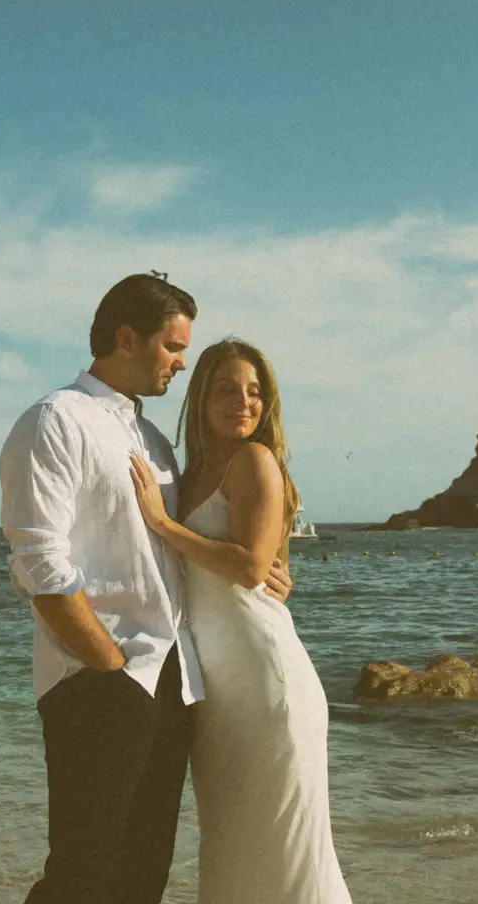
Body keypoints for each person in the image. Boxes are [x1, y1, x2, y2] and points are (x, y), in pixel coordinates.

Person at [0, 274, 292, 904]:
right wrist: (106, 665)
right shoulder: (55, 421)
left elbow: (186, 549)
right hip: (99, 678)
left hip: (172, 679)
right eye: (172, 347)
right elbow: (38, 563)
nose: (182, 362)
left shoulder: (153, 441)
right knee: (83, 872)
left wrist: (261, 570)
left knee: (143, 874)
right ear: (126, 338)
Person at [128, 337, 351, 903]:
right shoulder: (195, 471)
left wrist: (161, 522)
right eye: (227, 389)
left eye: (254, 392)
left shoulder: (254, 459)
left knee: (284, 850)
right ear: (201, 398)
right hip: (219, 690)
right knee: (233, 846)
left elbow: (251, 567)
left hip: (264, 680)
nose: (243, 402)